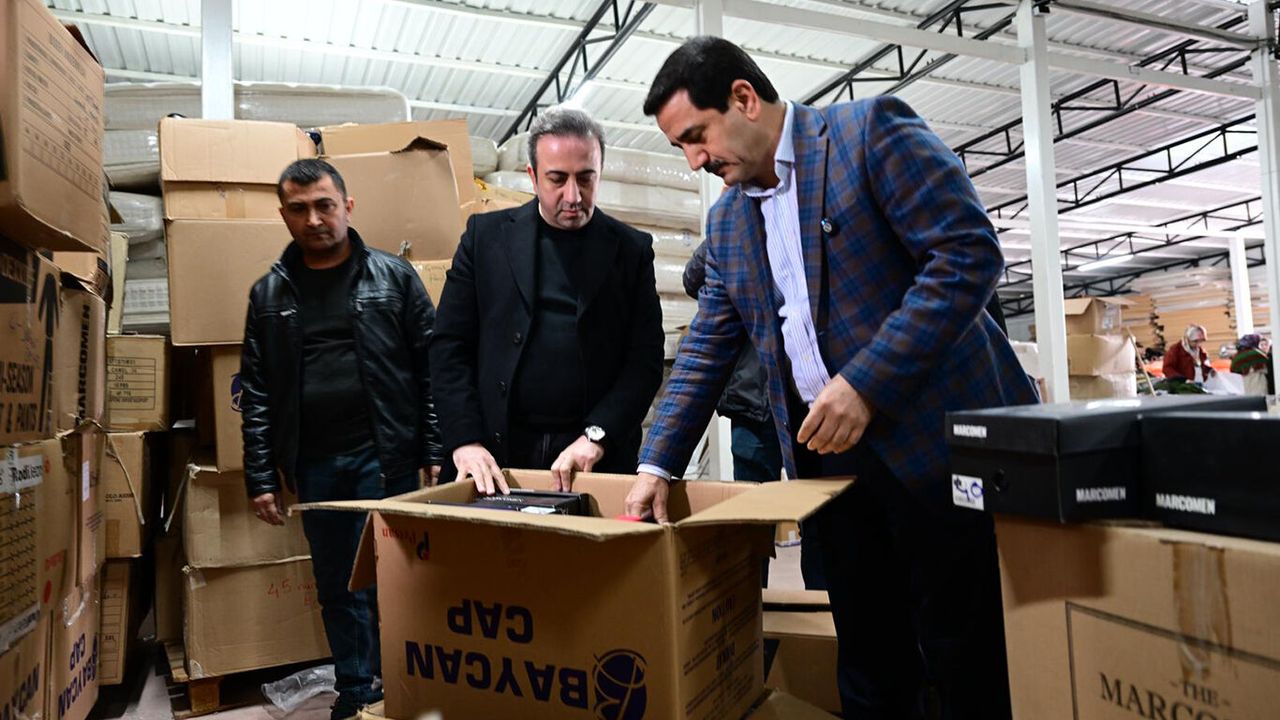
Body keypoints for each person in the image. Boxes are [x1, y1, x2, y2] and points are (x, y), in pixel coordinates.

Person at [624, 37, 1038, 720]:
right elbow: (705, 349)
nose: (695, 160)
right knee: (870, 655)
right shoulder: (728, 224)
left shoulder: (867, 135)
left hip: (937, 451)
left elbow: (966, 255)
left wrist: (866, 383)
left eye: (696, 136)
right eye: (681, 149)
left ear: (743, 99)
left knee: (967, 652)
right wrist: (656, 463)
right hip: (832, 466)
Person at [240, 159, 443, 720]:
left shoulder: (394, 278)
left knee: (400, 579)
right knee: (338, 584)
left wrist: (434, 447)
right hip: (316, 464)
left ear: (347, 206)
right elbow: (256, 390)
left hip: (387, 457)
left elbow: (433, 368)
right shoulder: (268, 294)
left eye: (324, 205)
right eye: (299, 209)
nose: (314, 219)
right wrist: (261, 474)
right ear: (283, 215)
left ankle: (410, 688)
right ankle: (357, 693)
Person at [429, 107, 664, 495]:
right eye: (558, 179)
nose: (573, 196)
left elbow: (645, 361)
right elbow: (449, 346)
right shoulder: (485, 239)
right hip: (497, 453)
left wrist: (597, 435)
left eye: (585, 178)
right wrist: (465, 439)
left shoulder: (631, 250)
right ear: (533, 176)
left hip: (592, 457)